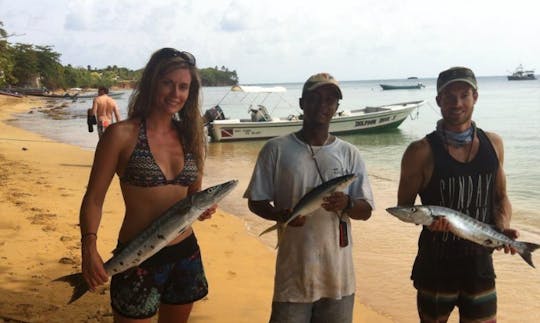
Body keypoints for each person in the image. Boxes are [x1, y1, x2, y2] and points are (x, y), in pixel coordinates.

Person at [79, 48, 216, 322]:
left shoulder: (192, 137)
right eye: (167, 83)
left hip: (185, 253)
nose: (175, 93)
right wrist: (88, 247)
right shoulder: (120, 135)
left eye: (183, 87)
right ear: (152, 82)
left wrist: (204, 208)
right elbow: (94, 198)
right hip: (135, 259)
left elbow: (193, 195)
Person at [244, 73, 374, 323]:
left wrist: (347, 204)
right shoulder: (276, 149)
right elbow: (256, 200)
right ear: (302, 103)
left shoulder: (350, 153)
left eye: (330, 100)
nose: (322, 105)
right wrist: (278, 216)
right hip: (293, 277)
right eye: (315, 98)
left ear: (337, 108)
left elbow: (366, 209)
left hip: (338, 279)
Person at [396, 66, 518, 323]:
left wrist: (502, 227)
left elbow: (501, 197)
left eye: (464, 95)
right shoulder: (419, 152)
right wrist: (431, 225)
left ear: (475, 96)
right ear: (439, 100)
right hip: (435, 266)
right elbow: (404, 208)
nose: (457, 103)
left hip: (480, 265)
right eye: (449, 96)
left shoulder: (493, 144)